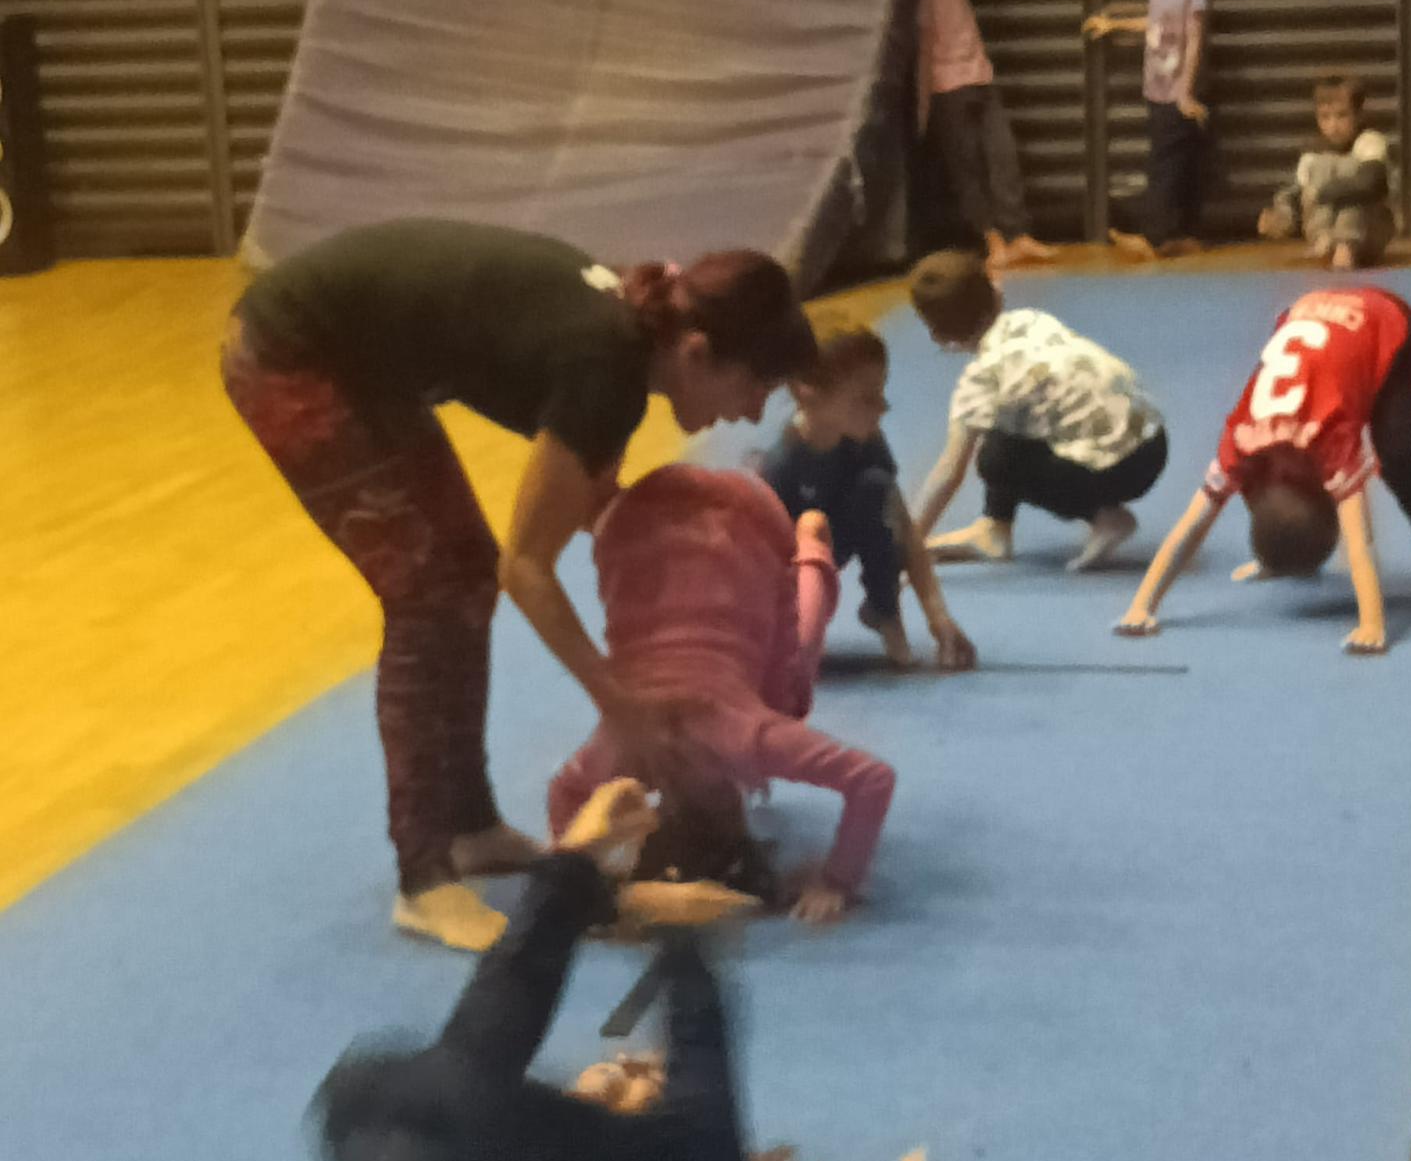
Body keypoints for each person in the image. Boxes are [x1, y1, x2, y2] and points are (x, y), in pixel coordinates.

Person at [223, 219, 816, 951]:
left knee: (463, 573)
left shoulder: (628, 348)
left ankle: (470, 827)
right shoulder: (606, 368)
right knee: (425, 593)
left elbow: (602, 510)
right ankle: (423, 878)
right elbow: (528, 569)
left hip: (361, 359)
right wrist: (620, 702)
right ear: (697, 353)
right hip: (290, 353)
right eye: (756, 387)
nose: (753, 413)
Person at [313, 779, 942, 1161]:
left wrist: (673, 931)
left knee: (436, 1079)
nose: (621, 1061)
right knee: (442, 1086)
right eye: (631, 1064)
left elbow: (699, 1036)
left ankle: (581, 868)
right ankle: (582, 871)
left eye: (640, 1072)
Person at [547, 465, 897, 926]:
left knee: (791, 684)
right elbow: (565, 793)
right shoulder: (627, 745)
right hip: (639, 522)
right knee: (784, 688)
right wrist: (580, 863)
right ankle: (811, 550)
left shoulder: (747, 737)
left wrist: (838, 880)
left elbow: (872, 780)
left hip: (753, 523)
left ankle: (811, 549)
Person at [1115, 286, 1411, 655]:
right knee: (1278, 478)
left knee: (1397, 455)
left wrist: (1372, 623)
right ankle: (1279, 555)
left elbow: (1359, 541)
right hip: (1309, 311)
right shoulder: (1241, 439)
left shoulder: (1319, 439)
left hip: (1385, 319)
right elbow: (1193, 527)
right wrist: (1140, 607)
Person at [907, 250, 1168, 572]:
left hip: (1123, 468)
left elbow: (949, 472)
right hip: (1154, 441)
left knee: (994, 459)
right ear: (997, 295)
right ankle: (994, 529)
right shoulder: (1031, 319)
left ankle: (1106, 518)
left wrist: (907, 545)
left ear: (938, 336)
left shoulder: (982, 380)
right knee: (1008, 424)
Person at [759, 324, 978, 671]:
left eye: (881, 392)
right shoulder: (782, 465)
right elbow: (753, 564)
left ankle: (884, 610)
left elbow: (905, 530)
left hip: (827, 551)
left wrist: (939, 618)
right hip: (786, 572)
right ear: (808, 393)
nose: (884, 407)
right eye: (866, 397)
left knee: (876, 488)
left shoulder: (866, 443)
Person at [918, 0, 1055, 272]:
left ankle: (1018, 232)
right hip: (949, 88)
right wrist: (924, 101)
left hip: (979, 78)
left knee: (1002, 156)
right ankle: (993, 240)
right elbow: (925, 45)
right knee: (969, 169)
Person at [1083, 0, 1210, 261]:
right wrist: (1116, 25)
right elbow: (1156, 24)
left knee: (1164, 167)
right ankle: (1183, 235)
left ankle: (1155, 238)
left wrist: (1185, 91)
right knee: (1177, 163)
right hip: (1156, 90)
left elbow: (1194, 41)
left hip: (1176, 95)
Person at [1258, 76, 1396, 270]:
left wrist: (1320, 192)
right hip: (1324, 231)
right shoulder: (1312, 153)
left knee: (1349, 175)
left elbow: (1369, 184)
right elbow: (1297, 194)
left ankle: (1345, 245)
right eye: (1325, 117)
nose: (1333, 125)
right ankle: (1325, 239)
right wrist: (1282, 218)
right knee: (1319, 167)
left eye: (1342, 116)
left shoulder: (1370, 142)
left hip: (1367, 232)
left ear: (1358, 116)